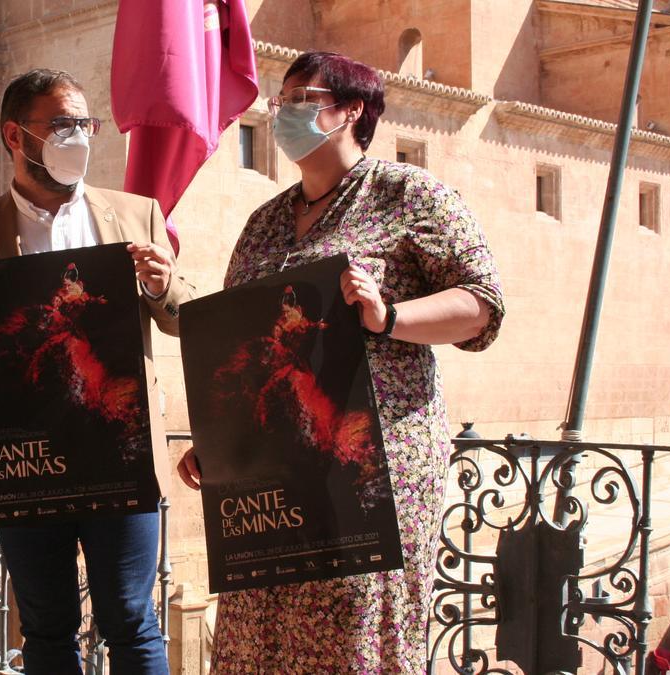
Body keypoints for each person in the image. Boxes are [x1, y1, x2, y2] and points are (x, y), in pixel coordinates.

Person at [176, 51, 504, 674]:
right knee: (256, 625)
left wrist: (389, 316)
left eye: (305, 98)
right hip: (272, 470)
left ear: (353, 109)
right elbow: (242, 342)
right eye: (281, 101)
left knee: (355, 628)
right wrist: (218, 440)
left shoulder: (412, 196)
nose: (285, 112)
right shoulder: (263, 223)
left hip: (368, 462)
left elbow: (481, 305)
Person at [0, 68, 194, 675]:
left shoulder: (137, 214)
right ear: (15, 135)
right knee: (46, 628)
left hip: (120, 455)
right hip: (25, 461)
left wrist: (163, 285)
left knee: (131, 619)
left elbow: (185, 318)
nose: (77, 136)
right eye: (61, 125)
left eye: (84, 124)